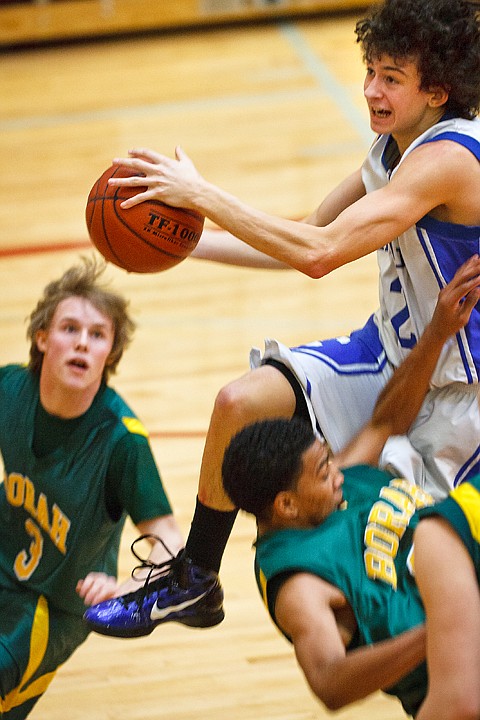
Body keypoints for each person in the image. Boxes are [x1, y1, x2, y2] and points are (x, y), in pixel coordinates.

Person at [84, 0, 480, 637]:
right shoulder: (392, 148)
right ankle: (194, 582)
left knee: (406, 578)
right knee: (239, 401)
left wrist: (202, 194)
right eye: (371, 70)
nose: (372, 89)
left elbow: (319, 257)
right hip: (386, 354)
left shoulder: (452, 159)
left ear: (438, 89)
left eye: (392, 78)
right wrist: (179, 247)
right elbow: (307, 231)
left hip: (460, 400)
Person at [220, 267, 480, 718]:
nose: (336, 473)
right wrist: (445, 625)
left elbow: (385, 421)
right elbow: (329, 683)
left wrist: (438, 331)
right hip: (457, 683)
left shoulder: (335, 485)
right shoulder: (298, 583)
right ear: (286, 505)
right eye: (322, 471)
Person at [0, 258, 190, 719]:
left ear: (110, 354)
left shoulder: (121, 441)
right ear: (42, 338)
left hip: (50, 610)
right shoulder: (9, 389)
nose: (83, 342)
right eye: (69, 328)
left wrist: (127, 587)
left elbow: (171, 538)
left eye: (98, 334)